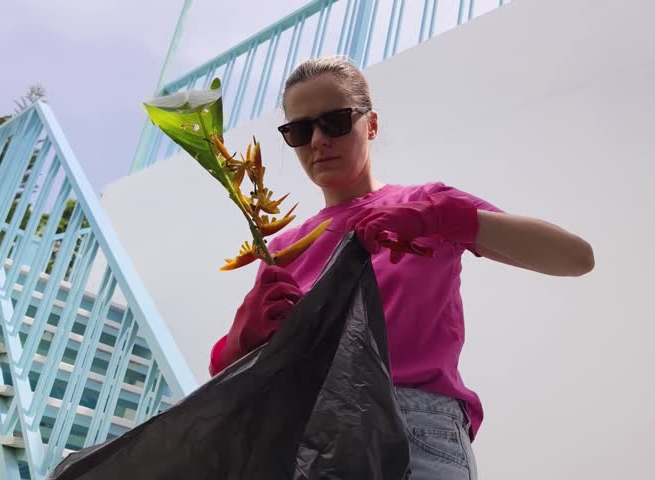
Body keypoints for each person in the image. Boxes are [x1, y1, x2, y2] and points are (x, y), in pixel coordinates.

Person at [209, 55, 594, 479]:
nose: (318, 140)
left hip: (417, 432)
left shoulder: (426, 204)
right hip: (315, 445)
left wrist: (446, 217)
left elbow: (575, 258)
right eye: (299, 130)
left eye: (335, 121)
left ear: (370, 124)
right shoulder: (281, 250)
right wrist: (237, 344)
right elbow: (238, 386)